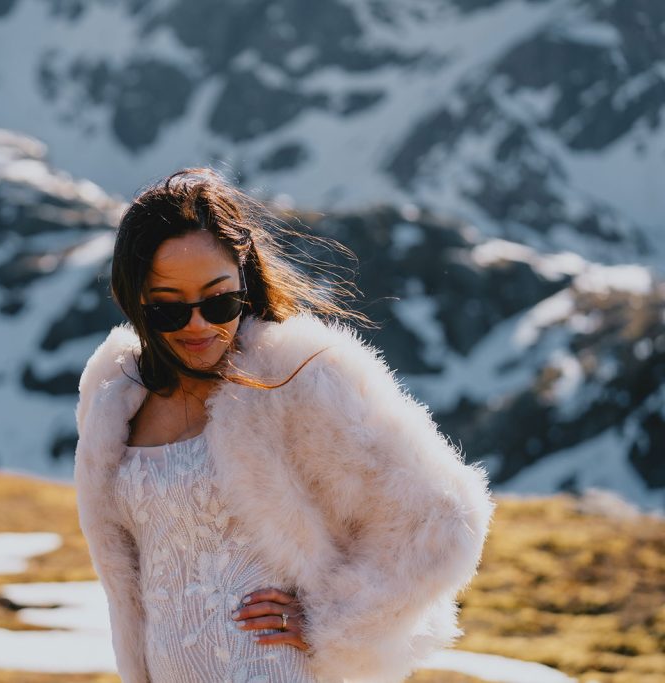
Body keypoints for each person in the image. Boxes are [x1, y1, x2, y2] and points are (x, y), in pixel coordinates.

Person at [73, 168, 494, 683]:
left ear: (244, 281)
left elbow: (443, 518)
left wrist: (333, 621)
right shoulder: (113, 396)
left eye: (218, 300)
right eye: (168, 309)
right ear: (135, 300)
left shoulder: (300, 376)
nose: (199, 325)